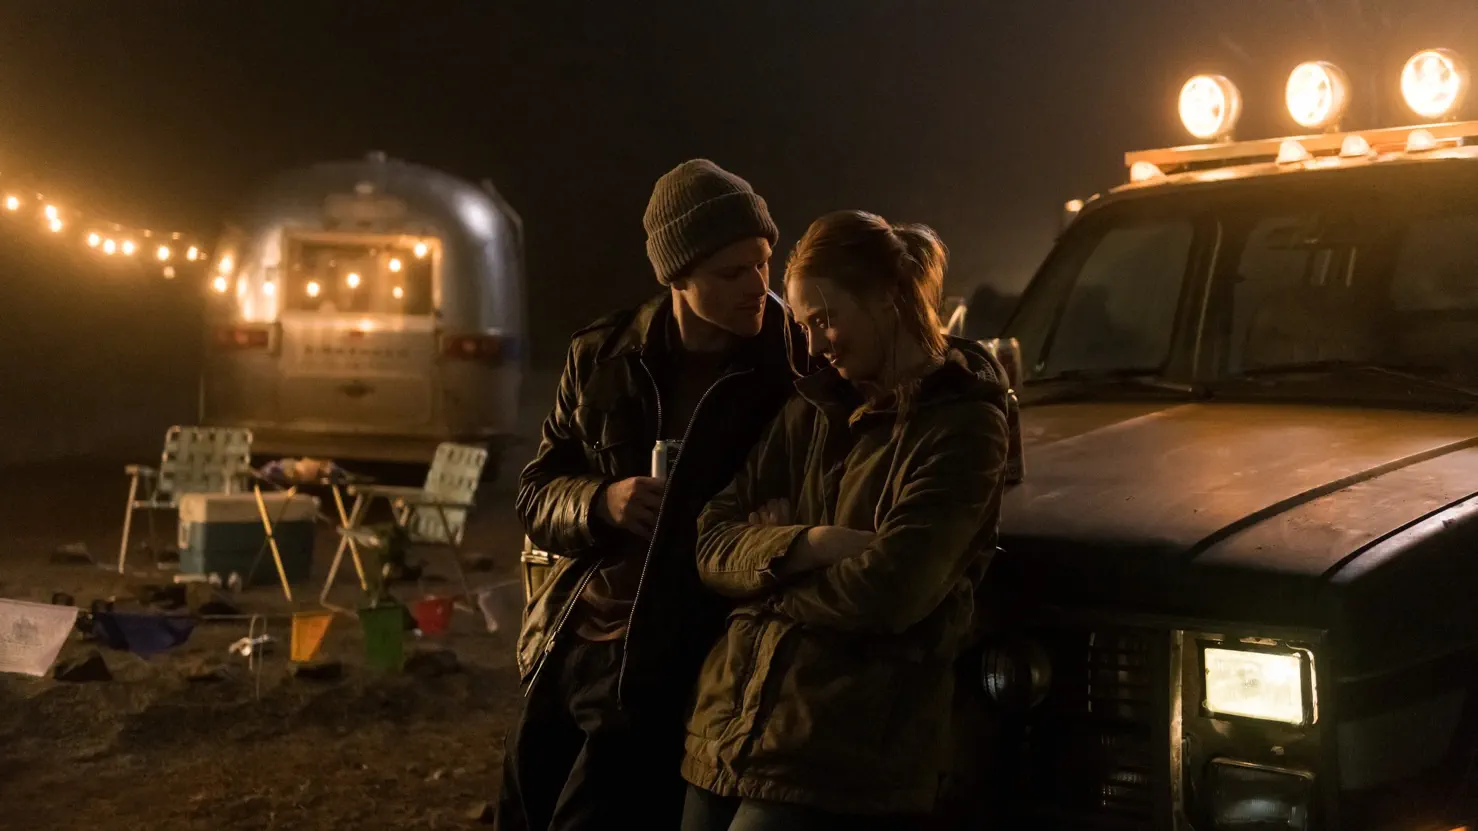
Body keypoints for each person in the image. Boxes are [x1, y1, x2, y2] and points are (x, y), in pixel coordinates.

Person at [497, 159, 808, 830]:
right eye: (732, 272)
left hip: (679, 646)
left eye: (764, 263)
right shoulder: (604, 355)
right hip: (576, 630)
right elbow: (535, 493)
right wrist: (600, 502)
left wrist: (780, 522)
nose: (759, 285)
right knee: (525, 804)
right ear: (678, 277)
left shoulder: (792, 361)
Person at [679, 210, 1011, 830]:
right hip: (730, 729)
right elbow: (710, 540)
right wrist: (810, 544)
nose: (812, 346)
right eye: (805, 325)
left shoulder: (962, 425)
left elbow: (890, 590)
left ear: (886, 298)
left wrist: (764, 574)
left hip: (841, 750)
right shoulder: (812, 410)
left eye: (825, 320)